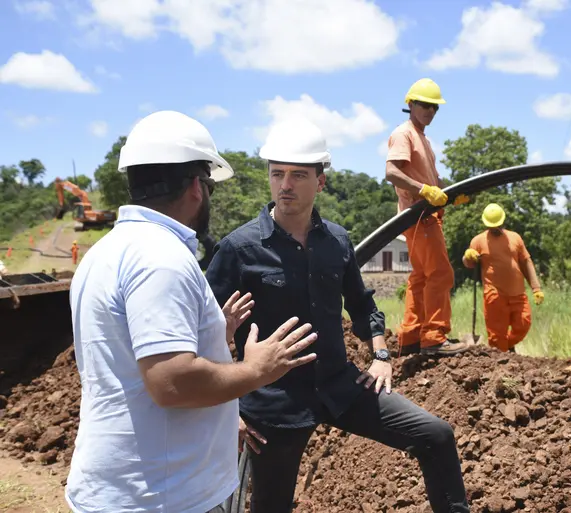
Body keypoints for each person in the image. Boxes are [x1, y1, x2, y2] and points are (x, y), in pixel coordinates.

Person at [205, 117, 470, 513]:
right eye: (277, 174)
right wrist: (227, 410)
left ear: (321, 181)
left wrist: (380, 355)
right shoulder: (239, 249)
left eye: (297, 175)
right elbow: (201, 332)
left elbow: (362, 304)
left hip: (340, 386)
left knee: (435, 435)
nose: (285, 185)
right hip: (274, 402)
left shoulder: (337, 241)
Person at [64, 110, 318, 513]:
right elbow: (173, 383)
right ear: (198, 188)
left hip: (125, 489)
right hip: (162, 497)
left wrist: (210, 330)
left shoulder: (107, 252)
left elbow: (130, 359)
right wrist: (257, 370)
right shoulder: (161, 257)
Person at [384, 77, 470, 357]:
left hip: (426, 216)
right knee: (440, 273)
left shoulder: (424, 139)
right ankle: (433, 336)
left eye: (434, 107)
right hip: (420, 216)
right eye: (424, 105)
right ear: (410, 104)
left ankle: (411, 337)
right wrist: (424, 190)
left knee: (421, 276)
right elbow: (392, 172)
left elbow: (431, 180)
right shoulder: (404, 133)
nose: (430, 111)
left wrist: (450, 193)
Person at [462, 203, 544, 352]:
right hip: (494, 295)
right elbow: (468, 264)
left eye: (497, 225)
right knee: (496, 336)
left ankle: (505, 346)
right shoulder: (478, 241)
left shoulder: (515, 238)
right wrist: (468, 256)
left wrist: (536, 287)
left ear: (503, 221)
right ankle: (500, 359)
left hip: (517, 293)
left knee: (523, 325)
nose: (495, 228)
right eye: (492, 226)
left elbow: (526, 262)